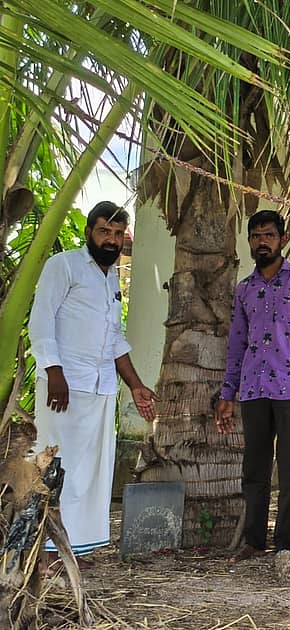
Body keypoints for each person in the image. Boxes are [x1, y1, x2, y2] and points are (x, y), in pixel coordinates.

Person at [29, 201, 157, 568]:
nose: (111, 240)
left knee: (91, 472)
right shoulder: (64, 266)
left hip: (101, 389)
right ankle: (45, 548)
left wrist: (134, 384)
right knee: (56, 466)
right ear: (89, 232)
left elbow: (114, 338)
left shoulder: (111, 277)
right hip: (64, 389)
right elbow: (41, 321)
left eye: (118, 234)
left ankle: (76, 548)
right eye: (104, 231)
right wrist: (54, 371)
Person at [215, 210, 290, 560]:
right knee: (255, 469)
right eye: (255, 236)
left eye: (268, 235)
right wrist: (227, 393)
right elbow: (236, 342)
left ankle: (286, 545)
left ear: (281, 239)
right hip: (253, 390)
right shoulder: (245, 290)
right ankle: (254, 541)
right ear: (249, 242)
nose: (261, 242)